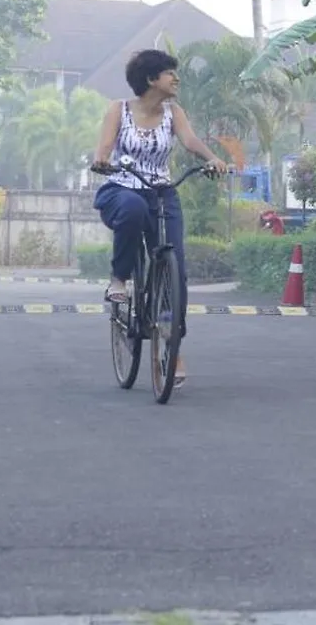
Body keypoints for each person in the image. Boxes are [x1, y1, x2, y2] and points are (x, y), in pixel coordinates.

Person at [90, 49, 229, 381]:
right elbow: (105, 146)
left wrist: (213, 159)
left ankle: (173, 349)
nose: (175, 78)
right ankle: (119, 280)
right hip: (121, 190)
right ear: (152, 79)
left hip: (162, 193)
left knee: (175, 269)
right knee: (134, 208)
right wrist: (101, 160)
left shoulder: (173, 112)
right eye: (169, 73)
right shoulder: (118, 110)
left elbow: (190, 140)